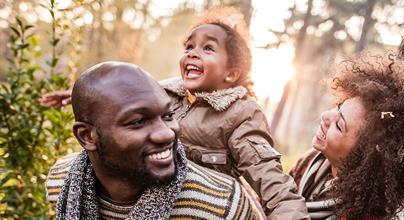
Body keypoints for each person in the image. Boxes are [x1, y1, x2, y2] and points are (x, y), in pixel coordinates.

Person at [43, 7, 308, 219]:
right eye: (189, 47)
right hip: (149, 190)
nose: (193, 53)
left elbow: (271, 181)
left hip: (203, 202)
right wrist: (75, 96)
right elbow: (117, 99)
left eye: (208, 48)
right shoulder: (168, 93)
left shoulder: (240, 115)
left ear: (231, 73)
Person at [45, 61, 262, 219]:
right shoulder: (60, 181)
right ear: (87, 136)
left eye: (168, 116)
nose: (167, 134)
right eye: (138, 121)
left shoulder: (222, 205)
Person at [289, 54, 404, 220]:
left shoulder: (370, 214)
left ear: (364, 155)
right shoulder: (311, 162)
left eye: (339, 125)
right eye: (339, 107)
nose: (326, 116)